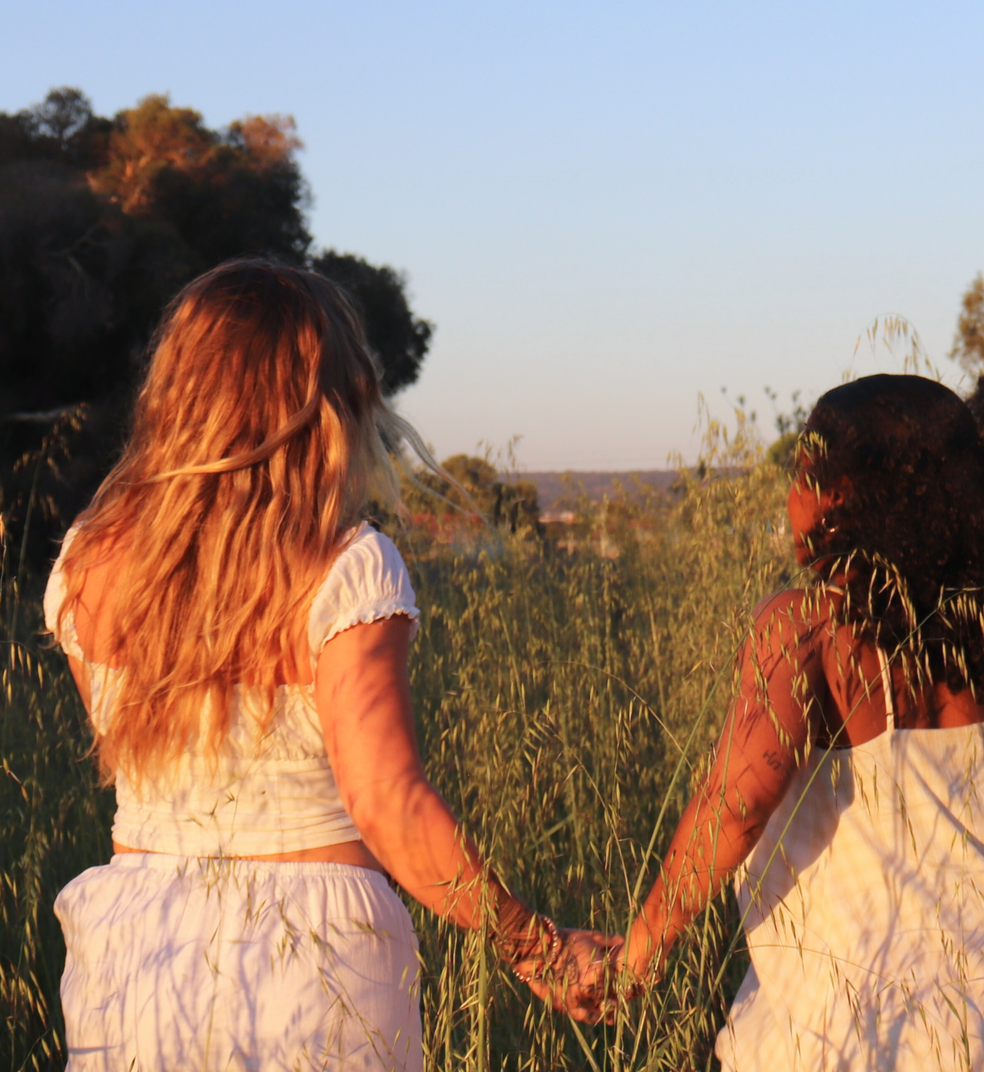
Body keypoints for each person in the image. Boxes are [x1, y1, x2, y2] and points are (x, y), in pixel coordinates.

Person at [43, 258, 608, 1071]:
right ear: (325, 405)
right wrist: (536, 946)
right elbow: (385, 800)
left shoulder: (86, 561)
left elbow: (134, 752)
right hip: (315, 958)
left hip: (137, 950)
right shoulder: (348, 566)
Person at [603, 372, 984, 1071]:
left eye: (799, 473)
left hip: (853, 1020)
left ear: (835, 492)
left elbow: (739, 800)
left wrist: (635, 952)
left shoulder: (804, 627)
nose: (789, 499)